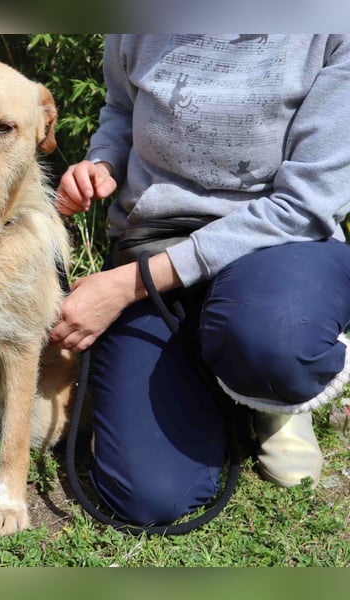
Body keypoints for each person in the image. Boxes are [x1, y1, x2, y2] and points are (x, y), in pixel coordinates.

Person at [50, 34, 350, 526]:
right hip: (154, 238)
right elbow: (122, 110)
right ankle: (216, 373)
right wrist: (102, 162)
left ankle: (274, 394)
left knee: (273, 339)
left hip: (279, 244)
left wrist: (127, 286)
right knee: (149, 498)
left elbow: (306, 205)